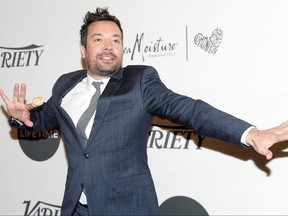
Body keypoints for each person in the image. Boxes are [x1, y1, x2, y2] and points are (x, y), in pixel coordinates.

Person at [1, 7, 288, 216]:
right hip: (77, 206)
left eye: (116, 40)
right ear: (83, 49)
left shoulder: (140, 81)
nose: (108, 47)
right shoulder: (65, 84)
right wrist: (21, 118)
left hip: (127, 207)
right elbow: (41, 122)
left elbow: (189, 110)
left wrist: (249, 133)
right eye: (98, 39)